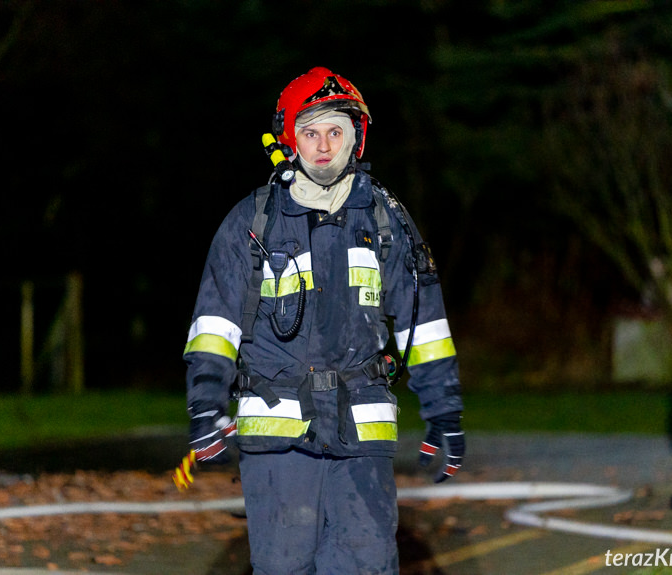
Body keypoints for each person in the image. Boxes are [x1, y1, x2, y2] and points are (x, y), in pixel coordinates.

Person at [179, 67, 465, 573]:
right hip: (278, 445)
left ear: (356, 137)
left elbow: (423, 327)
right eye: (310, 132)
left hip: (362, 441)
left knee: (370, 565)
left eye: (337, 130)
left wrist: (444, 409)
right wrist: (206, 406)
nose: (324, 146)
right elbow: (214, 325)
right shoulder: (251, 225)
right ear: (290, 139)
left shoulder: (386, 221)